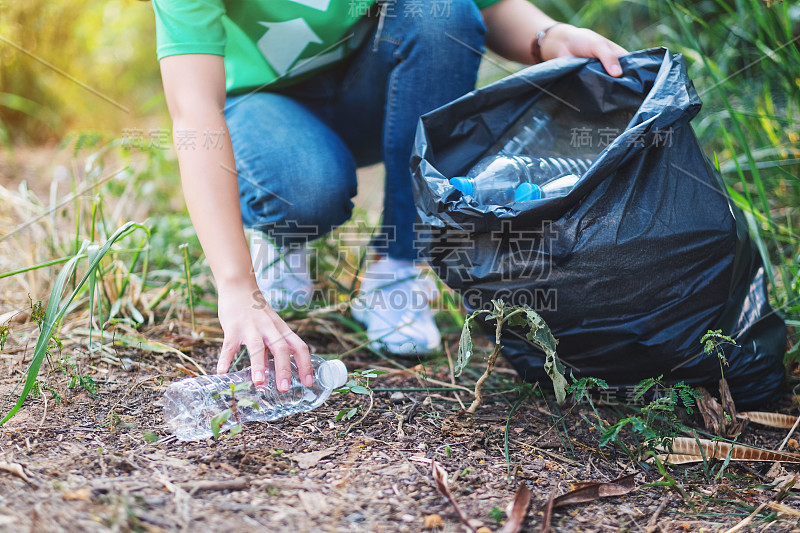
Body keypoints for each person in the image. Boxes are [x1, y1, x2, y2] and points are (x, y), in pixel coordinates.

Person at [152, 0, 627, 393]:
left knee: (442, 9)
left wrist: (548, 36)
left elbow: (483, 8)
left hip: (369, 92)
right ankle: (278, 231)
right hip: (262, 106)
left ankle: (397, 269)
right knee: (307, 189)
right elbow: (195, 113)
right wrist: (237, 286)